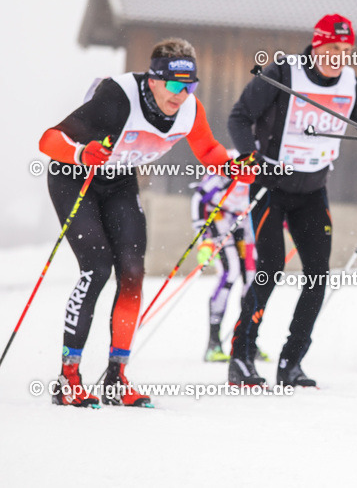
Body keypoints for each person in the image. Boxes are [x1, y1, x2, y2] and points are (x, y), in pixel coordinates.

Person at [39, 38, 254, 408]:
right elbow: (48, 139)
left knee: (134, 272)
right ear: (153, 79)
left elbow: (207, 150)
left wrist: (233, 169)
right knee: (97, 268)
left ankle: (116, 378)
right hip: (75, 176)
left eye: (190, 86)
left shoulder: (189, 110)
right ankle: (69, 377)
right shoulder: (118, 96)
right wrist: (79, 152)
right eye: (173, 85)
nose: (181, 95)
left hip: (119, 180)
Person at [227, 14, 357, 388]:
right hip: (271, 186)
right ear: (316, 45)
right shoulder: (283, 73)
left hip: (313, 190)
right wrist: (248, 155)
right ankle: (242, 358)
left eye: (345, 50)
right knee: (270, 268)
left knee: (317, 275)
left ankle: (291, 363)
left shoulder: (349, 83)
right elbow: (239, 117)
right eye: (331, 48)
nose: (338, 57)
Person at [189, 172, 265, 363]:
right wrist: (204, 238)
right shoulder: (234, 164)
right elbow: (199, 197)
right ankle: (213, 344)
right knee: (230, 272)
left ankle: (247, 342)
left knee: (252, 276)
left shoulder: (267, 164)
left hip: (246, 216)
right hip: (220, 214)